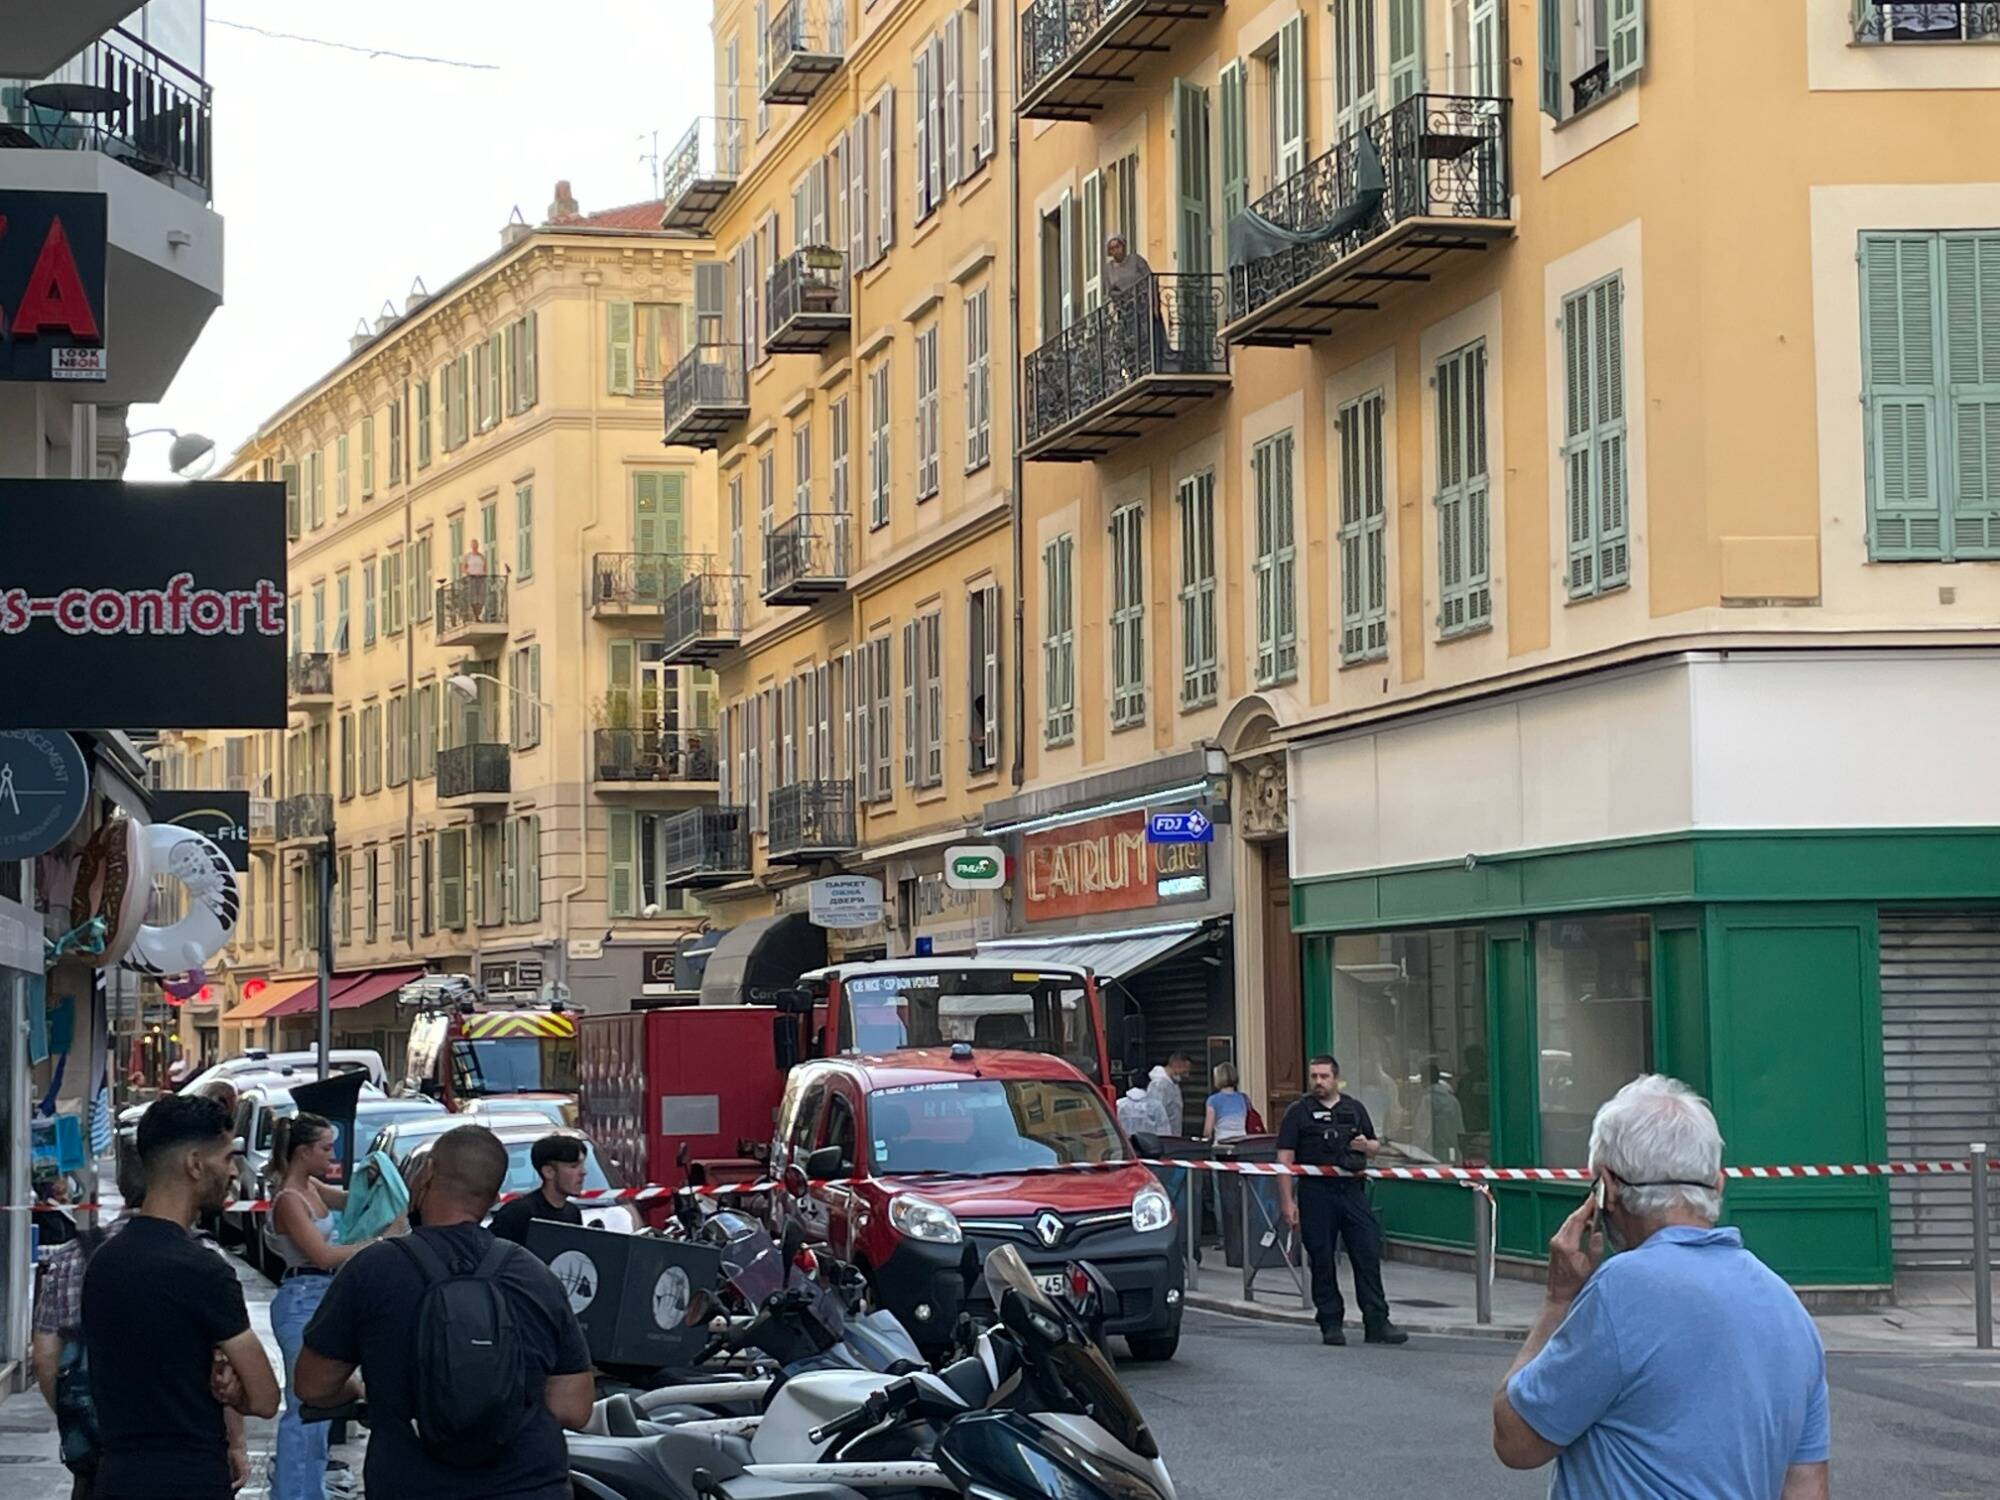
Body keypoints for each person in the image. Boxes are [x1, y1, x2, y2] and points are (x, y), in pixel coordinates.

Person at [1493, 1076, 1830, 1499]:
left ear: (1606, 1189)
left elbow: (1515, 1439)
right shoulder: (1787, 1308)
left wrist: (1557, 1300)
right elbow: (1807, 1489)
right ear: (1719, 1184)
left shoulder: (1621, 1290)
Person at [297, 1126, 594, 1500]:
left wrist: (362, 1390)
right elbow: (574, 1408)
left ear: (426, 1176)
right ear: (492, 1196)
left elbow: (312, 1384)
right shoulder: (536, 1275)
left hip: (412, 1484)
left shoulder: (373, 1269)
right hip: (528, 1484)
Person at [83, 1093, 280, 1500]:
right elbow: (265, 1398)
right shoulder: (204, 1270)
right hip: (189, 1476)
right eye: (227, 1158)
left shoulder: (103, 1263)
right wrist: (235, 1389)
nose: (232, 1171)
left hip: (116, 1476)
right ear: (194, 1164)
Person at [265, 1114, 390, 1500]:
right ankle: (292, 1493)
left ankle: (308, 1489)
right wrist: (375, 1247)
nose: (331, 1156)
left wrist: (377, 1179)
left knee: (318, 1408)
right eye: (324, 1148)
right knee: (304, 1407)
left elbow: (354, 1201)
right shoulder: (289, 1199)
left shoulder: (311, 1187)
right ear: (303, 1152)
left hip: (320, 1298)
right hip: (302, 1296)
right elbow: (321, 1255)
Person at [1275, 1054, 1407, 1347]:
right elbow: (1284, 1158)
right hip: (1316, 1192)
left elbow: (1374, 1146)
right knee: (1322, 1258)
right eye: (1314, 1077)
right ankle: (1330, 1322)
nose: (1318, 1082)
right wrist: (1287, 1201)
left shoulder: (1354, 1108)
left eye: (1324, 1076)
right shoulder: (1298, 1112)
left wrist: (1365, 1146)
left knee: (1367, 1254)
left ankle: (1377, 1322)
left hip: (1351, 1190)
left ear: (1336, 1079)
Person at [488, 1133, 587, 1245]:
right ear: (548, 1172)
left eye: (583, 1165)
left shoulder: (573, 1213)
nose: (583, 1172)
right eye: (574, 1166)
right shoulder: (517, 1213)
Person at [1146, 1051, 1193, 1138]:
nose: (1186, 1075)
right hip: (1164, 1138)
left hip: (1172, 1137)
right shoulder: (1159, 1085)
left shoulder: (1173, 1083)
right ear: (1176, 1065)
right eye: (1184, 1071)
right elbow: (1155, 1113)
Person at [1203, 1063, 1251, 1144]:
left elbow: (1208, 1131)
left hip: (1222, 1142)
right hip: (1242, 1141)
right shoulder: (1243, 1098)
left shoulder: (1213, 1100)